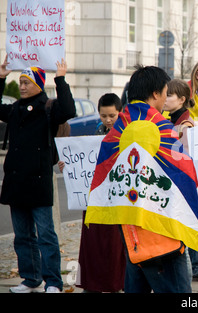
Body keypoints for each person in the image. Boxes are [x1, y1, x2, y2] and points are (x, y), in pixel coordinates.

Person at [0, 57, 76, 293]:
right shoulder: (14, 109)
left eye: (27, 82)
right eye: (20, 81)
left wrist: (61, 79)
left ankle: (53, 282)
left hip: (39, 182)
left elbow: (69, 110)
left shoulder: (48, 108)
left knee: (46, 236)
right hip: (16, 182)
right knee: (22, 236)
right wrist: (2, 77)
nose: (22, 86)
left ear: (40, 85)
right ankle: (30, 279)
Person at [117, 65, 192, 293]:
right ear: (156, 94)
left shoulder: (119, 127)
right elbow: (183, 175)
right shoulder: (159, 128)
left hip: (131, 233)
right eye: (166, 91)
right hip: (161, 237)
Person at [75, 93, 126, 293]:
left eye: (112, 116)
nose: (108, 120)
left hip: (116, 201)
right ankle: (93, 285)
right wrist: (70, 167)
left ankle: (115, 285)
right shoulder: (96, 133)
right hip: (94, 200)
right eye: (104, 116)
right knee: (93, 246)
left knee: (114, 248)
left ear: (119, 113)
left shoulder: (126, 134)